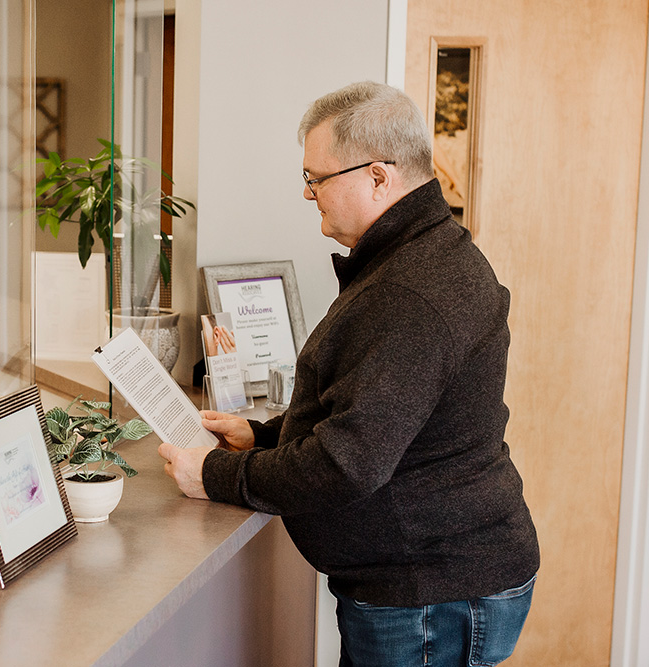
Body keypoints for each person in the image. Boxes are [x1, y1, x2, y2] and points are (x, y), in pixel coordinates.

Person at [158, 82, 539, 666]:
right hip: (431, 585)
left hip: (430, 595)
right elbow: (377, 408)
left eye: (317, 178)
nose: (308, 193)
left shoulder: (411, 289)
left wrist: (217, 474)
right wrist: (263, 436)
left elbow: (345, 464)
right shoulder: (419, 257)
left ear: (379, 177)